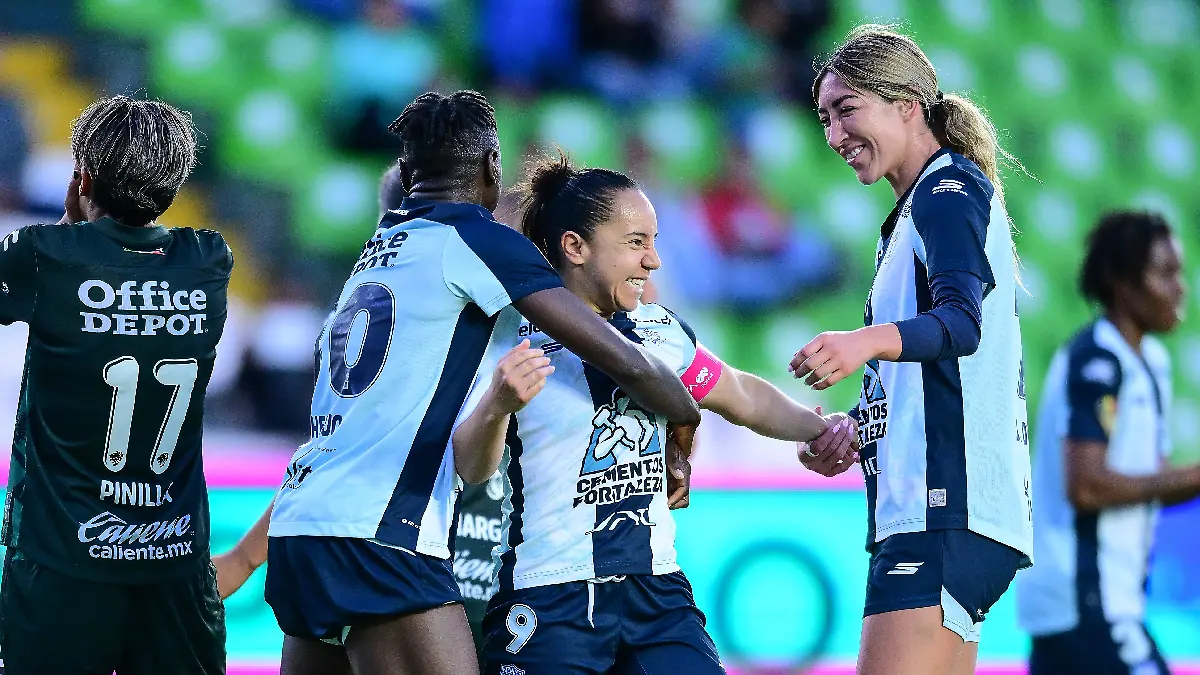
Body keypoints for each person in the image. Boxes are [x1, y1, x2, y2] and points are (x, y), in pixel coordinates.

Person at [259, 91, 701, 675]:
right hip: (382, 527)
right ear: (493, 167)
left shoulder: (379, 248)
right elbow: (630, 363)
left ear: (409, 175)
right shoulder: (475, 240)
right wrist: (684, 418)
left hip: (302, 520)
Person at [451, 154, 857, 675]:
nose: (654, 261)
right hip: (550, 597)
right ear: (575, 247)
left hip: (657, 595)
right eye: (636, 242)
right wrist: (496, 405)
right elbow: (472, 468)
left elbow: (742, 395)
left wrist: (822, 430)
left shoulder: (661, 331)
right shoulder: (508, 340)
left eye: (655, 242)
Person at [791, 24, 1032, 675]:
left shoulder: (946, 191)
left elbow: (960, 324)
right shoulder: (914, 211)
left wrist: (862, 341)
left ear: (906, 105)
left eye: (847, 110)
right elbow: (931, 372)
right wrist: (856, 427)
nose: (834, 135)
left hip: (944, 514)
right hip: (947, 517)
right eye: (824, 118)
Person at [0, 95, 233, 675]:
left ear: (82, 179)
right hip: (176, 561)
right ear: (174, 185)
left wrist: (69, 222)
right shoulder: (209, 259)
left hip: (60, 559)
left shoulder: (44, 255)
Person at [1017, 211, 1198, 675]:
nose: (1180, 288)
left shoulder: (1150, 361)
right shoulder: (1096, 360)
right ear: (1122, 282)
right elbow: (1088, 487)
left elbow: (1149, 482)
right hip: (1084, 600)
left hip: (1100, 602)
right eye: (1165, 274)